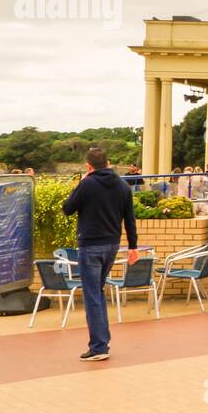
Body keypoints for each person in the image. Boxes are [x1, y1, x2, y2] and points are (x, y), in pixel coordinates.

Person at [61, 147, 139, 362]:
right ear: (108, 162)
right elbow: (130, 220)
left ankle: (98, 346)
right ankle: (102, 341)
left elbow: (67, 208)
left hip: (90, 245)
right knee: (98, 291)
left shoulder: (87, 184)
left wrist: (81, 182)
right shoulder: (123, 186)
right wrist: (133, 247)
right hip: (112, 245)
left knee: (92, 295)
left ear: (88, 166)